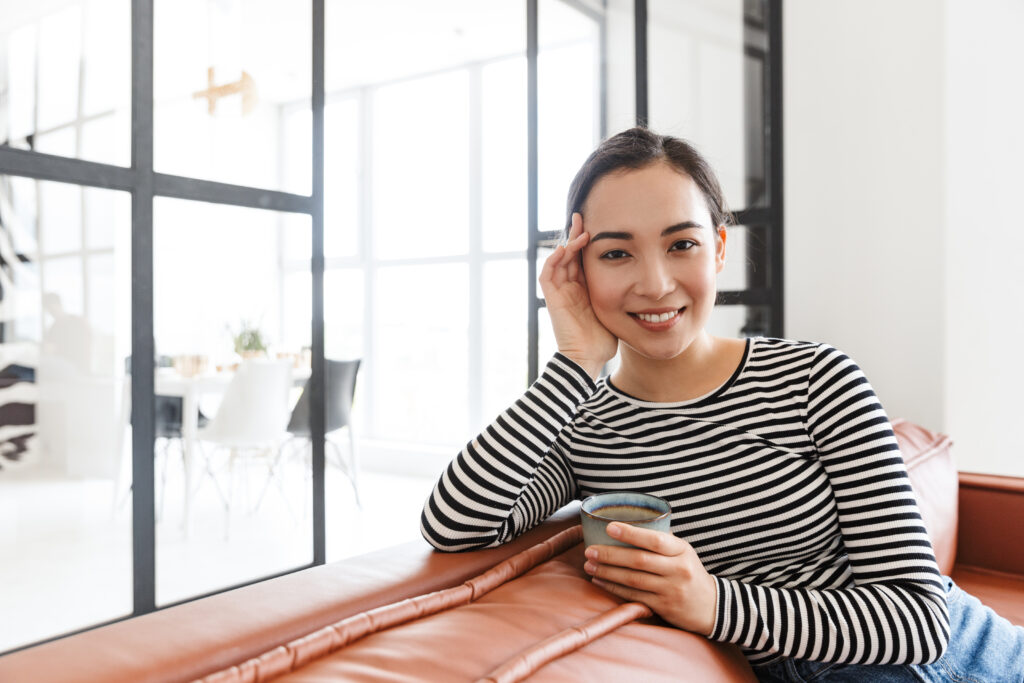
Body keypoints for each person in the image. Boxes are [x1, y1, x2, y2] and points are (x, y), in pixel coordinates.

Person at [420, 127, 1024, 681]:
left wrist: (712, 602)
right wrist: (576, 361)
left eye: (681, 243)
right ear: (575, 271)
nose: (655, 283)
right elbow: (454, 522)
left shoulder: (817, 377)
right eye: (615, 253)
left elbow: (917, 620)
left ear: (719, 250)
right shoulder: (585, 427)